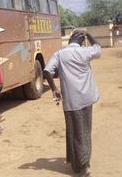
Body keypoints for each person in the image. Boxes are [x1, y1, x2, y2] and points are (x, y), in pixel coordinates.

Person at [43, 29, 101, 177]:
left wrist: (54, 89)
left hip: (71, 101)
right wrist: (88, 34)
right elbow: (98, 47)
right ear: (82, 41)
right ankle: (79, 163)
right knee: (84, 130)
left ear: (69, 40)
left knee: (75, 131)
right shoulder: (85, 52)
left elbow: (47, 71)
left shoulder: (60, 54)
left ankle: (83, 164)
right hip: (87, 98)